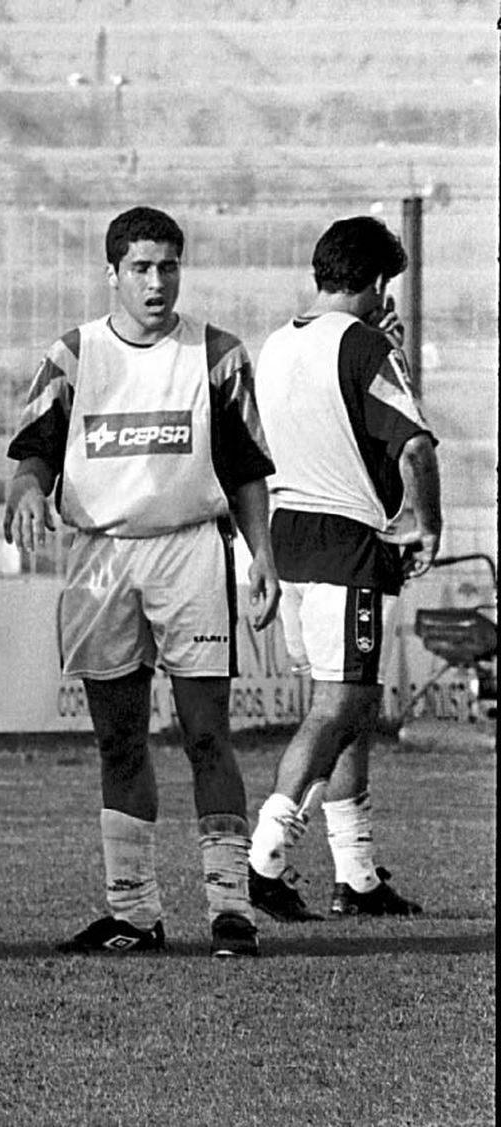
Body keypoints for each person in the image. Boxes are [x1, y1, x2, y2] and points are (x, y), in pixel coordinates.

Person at [2, 206, 279, 959]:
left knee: (205, 733)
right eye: (141, 268)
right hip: (101, 555)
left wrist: (262, 556)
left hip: (189, 549)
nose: (157, 282)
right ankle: (134, 912)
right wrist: (28, 489)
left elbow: (248, 469)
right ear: (113, 274)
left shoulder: (217, 354)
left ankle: (231, 909)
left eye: (169, 267)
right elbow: (34, 450)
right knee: (119, 738)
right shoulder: (71, 354)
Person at [247, 216, 439, 922]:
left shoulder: (277, 343)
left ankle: (356, 876)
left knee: (345, 704)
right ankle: (265, 855)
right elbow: (414, 446)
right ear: (378, 281)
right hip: (345, 540)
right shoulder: (365, 347)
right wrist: (428, 523)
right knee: (341, 707)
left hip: (290, 537)